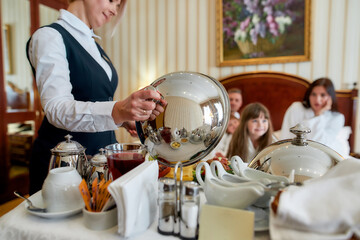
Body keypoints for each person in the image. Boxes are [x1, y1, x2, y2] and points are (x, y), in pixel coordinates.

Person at [26, 0, 166, 194]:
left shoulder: (94, 46)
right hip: (65, 167)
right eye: (111, 1)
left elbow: (97, 100)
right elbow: (56, 109)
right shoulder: (50, 37)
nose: (114, 10)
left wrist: (123, 119)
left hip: (101, 162)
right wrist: (118, 110)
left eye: (118, 5)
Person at [280, 77, 346, 156]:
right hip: (293, 153)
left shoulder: (337, 118)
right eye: (314, 94)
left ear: (330, 97)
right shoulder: (296, 108)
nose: (317, 100)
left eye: (323, 95)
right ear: (309, 95)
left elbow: (320, 143)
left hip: (322, 156)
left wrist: (319, 114)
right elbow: (286, 137)